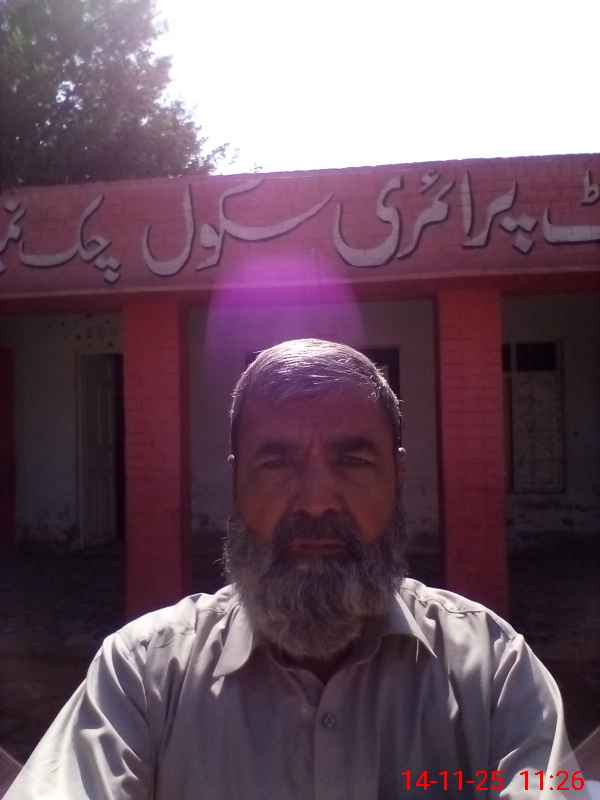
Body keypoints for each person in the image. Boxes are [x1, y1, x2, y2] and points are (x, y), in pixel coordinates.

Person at [5, 338, 588, 799]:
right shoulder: (142, 675)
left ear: (397, 476)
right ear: (236, 482)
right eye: (277, 462)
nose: (315, 502)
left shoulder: (494, 673)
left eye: (352, 460)